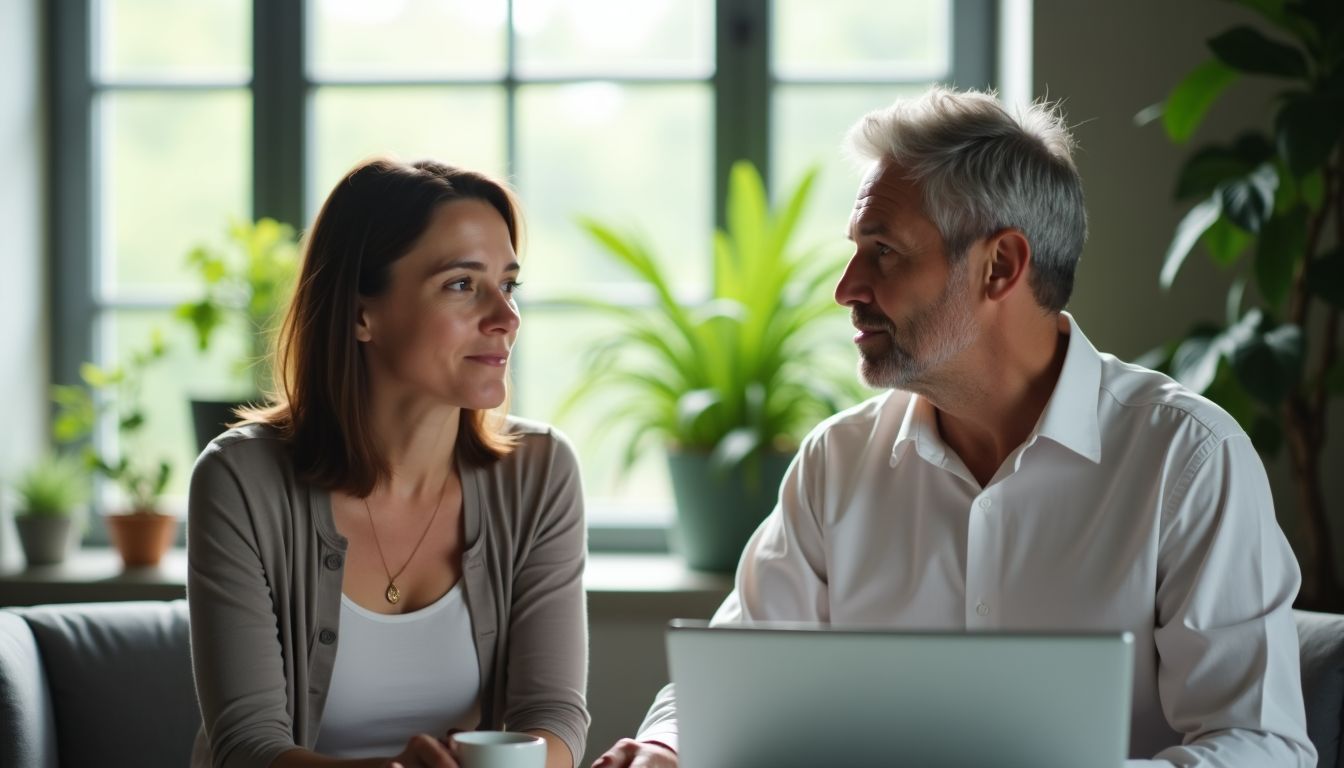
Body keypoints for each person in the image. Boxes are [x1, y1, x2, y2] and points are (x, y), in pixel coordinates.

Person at [592, 87, 1315, 767]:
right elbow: (727, 683)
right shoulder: (836, 462)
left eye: (884, 251)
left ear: (1000, 265)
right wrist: (669, 748)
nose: (847, 289)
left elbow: (1260, 745)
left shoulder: (1187, 461)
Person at [188, 158, 589, 768]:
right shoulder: (240, 480)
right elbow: (247, 748)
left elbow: (554, 717)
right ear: (359, 313)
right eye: (462, 284)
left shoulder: (540, 473)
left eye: (509, 285)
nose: (506, 319)